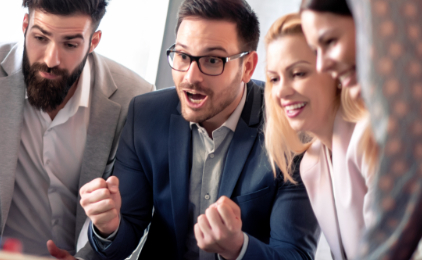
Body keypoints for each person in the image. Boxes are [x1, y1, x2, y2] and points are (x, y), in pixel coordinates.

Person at [78, 0, 320, 259]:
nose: (191, 76)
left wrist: (239, 247)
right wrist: (109, 227)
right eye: (183, 56)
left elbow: (295, 254)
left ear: (247, 67)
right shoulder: (146, 116)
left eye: (213, 60)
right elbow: (123, 239)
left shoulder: (290, 124)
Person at [0, 0, 154, 257]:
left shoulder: (134, 100)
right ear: (25, 26)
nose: (51, 59)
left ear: (93, 42)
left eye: (70, 44)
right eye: (40, 37)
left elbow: (126, 223)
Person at [325, 0, 422, 259]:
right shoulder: (310, 159)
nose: (323, 64)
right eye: (273, 77)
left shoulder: (377, 134)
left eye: (329, 42)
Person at [264, 13, 375, 260]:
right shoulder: (311, 164)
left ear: (334, 69)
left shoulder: (371, 138)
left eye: (299, 73)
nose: (280, 90)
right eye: (274, 79)